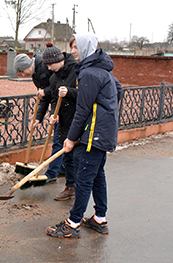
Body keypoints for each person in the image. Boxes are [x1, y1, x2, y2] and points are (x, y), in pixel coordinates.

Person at [46, 33, 123, 239]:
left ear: (86, 48)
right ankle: (100, 218)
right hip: (102, 132)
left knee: (84, 177)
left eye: (76, 48)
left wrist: (70, 138)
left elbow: (82, 109)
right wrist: (108, 112)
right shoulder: (102, 70)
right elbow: (119, 90)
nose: (72, 51)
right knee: (97, 175)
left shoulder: (89, 74)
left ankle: (73, 223)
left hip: (94, 134)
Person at [35, 43, 79, 201]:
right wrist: (55, 113)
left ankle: (80, 187)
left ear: (58, 60)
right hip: (64, 121)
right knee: (67, 155)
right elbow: (54, 98)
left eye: (50, 65)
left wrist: (69, 92)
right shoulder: (54, 78)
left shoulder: (76, 70)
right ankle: (70, 187)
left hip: (78, 119)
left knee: (76, 156)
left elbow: (84, 95)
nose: (48, 69)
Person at [14, 51, 65, 182]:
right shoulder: (35, 75)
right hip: (56, 105)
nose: (22, 74)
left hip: (63, 104)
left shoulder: (44, 66)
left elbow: (56, 87)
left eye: (21, 71)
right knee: (61, 139)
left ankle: (51, 174)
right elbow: (43, 97)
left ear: (25, 66)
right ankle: (63, 168)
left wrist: (54, 110)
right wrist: (38, 118)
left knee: (59, 140)